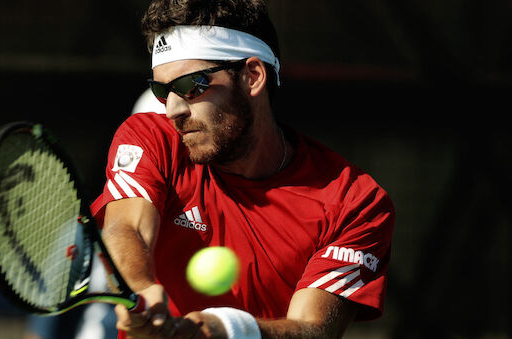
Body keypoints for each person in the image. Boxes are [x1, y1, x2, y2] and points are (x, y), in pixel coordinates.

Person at [90, 0, 395, 338]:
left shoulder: (357, 203)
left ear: (252, 76)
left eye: (192, 86)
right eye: (162, 91)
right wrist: (142, 288)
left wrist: (225, 330)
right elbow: (125, 228)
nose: (174, 109)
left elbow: (314, 330)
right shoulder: (151, 137)